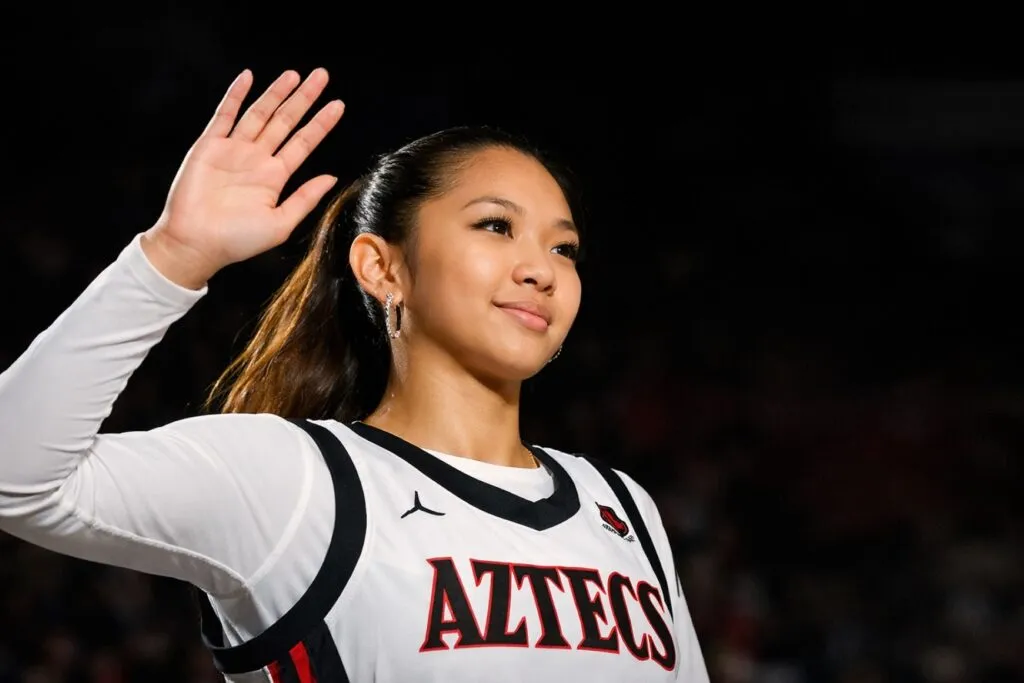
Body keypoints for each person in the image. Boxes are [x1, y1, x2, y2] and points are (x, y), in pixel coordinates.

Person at [0, 68, 709, 682]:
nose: (542, 269)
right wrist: (173, 254)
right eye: (495, 226)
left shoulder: (621, 508)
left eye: (566, 247)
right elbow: (14, 474)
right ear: (382, 266)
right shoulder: (297, 481)